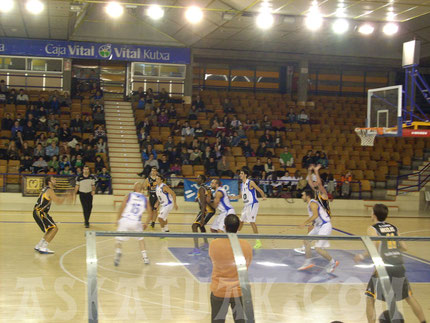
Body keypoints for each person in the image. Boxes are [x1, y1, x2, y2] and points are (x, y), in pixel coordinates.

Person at [354, 204, 426, 323]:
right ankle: (423, 321)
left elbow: (374, 246)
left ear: (374, 214)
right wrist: (392, 250)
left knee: (370, 297)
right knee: (408, 297)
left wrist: (362, 255)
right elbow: (404, 247)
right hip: (398, 265)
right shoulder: (394, 227)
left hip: (384, 267)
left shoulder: (372, 228)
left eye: (372, 212)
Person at [209, 214, 252, 323]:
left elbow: (214, 260)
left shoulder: (214, 244)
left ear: (224, 226)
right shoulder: (246, 245)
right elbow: (247, 264)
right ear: (238, 227)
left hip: (219, 290)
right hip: (240, 291)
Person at [297, 189, 338, 273]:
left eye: (303, 195)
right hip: (318, 226)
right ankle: (308, 262)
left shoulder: (313, 203)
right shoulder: (310, 203)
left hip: (324, 226)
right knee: (306, 241)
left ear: (307, 196)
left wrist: (304, 223)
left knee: (318, 249)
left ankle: (333, 262)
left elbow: (315, 215)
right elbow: (316, 217)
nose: (302, 197)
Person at [295, 164, 331, 254]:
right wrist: (309, 171)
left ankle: (310, 246)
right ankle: (307, 246)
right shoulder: (315, 192)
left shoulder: (323, 193)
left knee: (313, 228)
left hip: (324, 215)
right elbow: (310, 181)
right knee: (312, 228)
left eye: (316, 182)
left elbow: (318, 183)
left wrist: (316, 171)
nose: (314, 183)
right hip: (318, 214)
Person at [114, 182, 153, 266]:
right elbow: (150, 213)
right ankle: (145, 258)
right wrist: (146, 223)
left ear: (134, 188)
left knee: (118, 239)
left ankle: (118, 253)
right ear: (142, 189)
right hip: (136, 222)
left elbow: (122, 207)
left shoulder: (129, 195)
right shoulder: (145, 199)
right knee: (140, 239)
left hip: (125, 220)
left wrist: (118, 219)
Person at [231, 168, 266, 249]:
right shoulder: (242, 185)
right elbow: (240, 196)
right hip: (246, 205)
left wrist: (263, 196)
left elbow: (259, 190)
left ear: (245, 175)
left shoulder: (250, 182)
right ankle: (235, 237)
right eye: (240, 173)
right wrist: (231, 197)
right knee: (241, 221)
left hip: (253, 204)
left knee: (252, 222)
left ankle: (258, 242)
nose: (240, 175)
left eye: (242, 173)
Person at [33, 176, 69, 254]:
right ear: (49, 182)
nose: (55, 180)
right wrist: (66, 196)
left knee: (50, 229)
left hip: (39, 212)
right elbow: (58, 202)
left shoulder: (46, 189)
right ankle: (43, 247)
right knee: (54, 229)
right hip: (40, 212)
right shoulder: (49, 190)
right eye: (53, 179)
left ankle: (39, 245)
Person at [189, 175, 215, 256]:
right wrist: (199, 198)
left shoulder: (201, 189)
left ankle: (196, 249)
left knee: (194, 226)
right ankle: (206, 244)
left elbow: (204, 203)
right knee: (201, 225)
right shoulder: (207, 187)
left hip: (206, 210)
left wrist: (203, 216)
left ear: (202, 180)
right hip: (210, 209)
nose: (197, 179)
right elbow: (210, 198)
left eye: (198, 178)